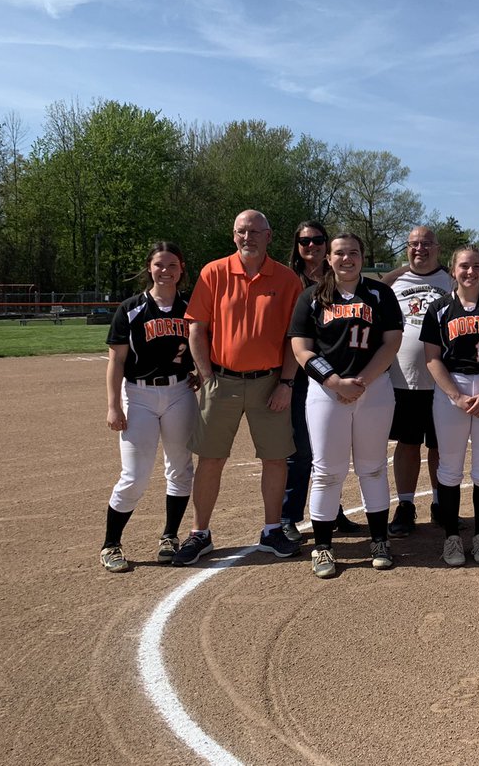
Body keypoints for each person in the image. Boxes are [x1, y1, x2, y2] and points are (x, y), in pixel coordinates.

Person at [172, 210, 304, 566]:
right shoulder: (214, 272)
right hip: (222, 381)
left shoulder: (287, 279)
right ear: (234, 235)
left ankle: (272, 529)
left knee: (275, 458)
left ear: (268, 236)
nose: (248, 237)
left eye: (255, 231)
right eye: (242, 231)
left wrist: (287, 383)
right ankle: (200, 533)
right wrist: (206, 376)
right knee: (211, 458)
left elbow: (294, 337)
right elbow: (196, 328)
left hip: (270, 382)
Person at [289, 233, 404, 578]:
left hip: (373, 388)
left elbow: (391, 343)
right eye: (339, 253)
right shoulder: (313, 296)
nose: (347, 258)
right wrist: (334, 382)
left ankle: (379, 541)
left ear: (362, 257)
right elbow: (301, 348)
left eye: (353, 252)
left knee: (373, 467)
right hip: (327, 392)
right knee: (327, 470)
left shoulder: (380, 294)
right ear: (329, 258)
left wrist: (362, 380)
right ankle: (323, 546)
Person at [99, 243, 199, 572]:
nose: (165, 271)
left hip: (179, 392)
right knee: (134, 475)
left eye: (172, 265)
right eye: (159, 265)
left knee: (180, 469)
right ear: (149, 268)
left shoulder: (191, 307)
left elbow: (204, 344)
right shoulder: (130, 309)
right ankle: (111, 544)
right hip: (138, 394)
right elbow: (116, 361)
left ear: (181, 269)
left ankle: (170, 536)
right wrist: (114, 406)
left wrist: (200, 372)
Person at [421, 245, 479, 566]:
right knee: (449, 468)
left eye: (476, 265)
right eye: (464, 265)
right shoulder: (438, 308)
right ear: (453, 270)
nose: (470, 271)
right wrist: (456, 396)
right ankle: (451, 537)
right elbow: (432, 358)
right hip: (453, 388)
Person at [281, 221, 363, 543]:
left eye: (318, 240)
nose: (311, 246)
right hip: (299, 374)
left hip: (334, 376)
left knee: (330, 449)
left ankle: (332, 511)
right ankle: (289, 516)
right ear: (297, 246)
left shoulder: (341, 278)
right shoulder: (290, 280)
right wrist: (285, 380)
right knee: (301, 450)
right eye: (305, 241)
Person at [382, 226, 454, 537]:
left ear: (438, 248)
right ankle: (406, 505)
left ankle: (440, 503)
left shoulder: (452, 280)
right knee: (407, 444)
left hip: (444, 380)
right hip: (404, 379)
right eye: (413, 244)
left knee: (441, 446)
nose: (420, 249)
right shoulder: (394, 282)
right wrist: (400, 271)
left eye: (426, 243)